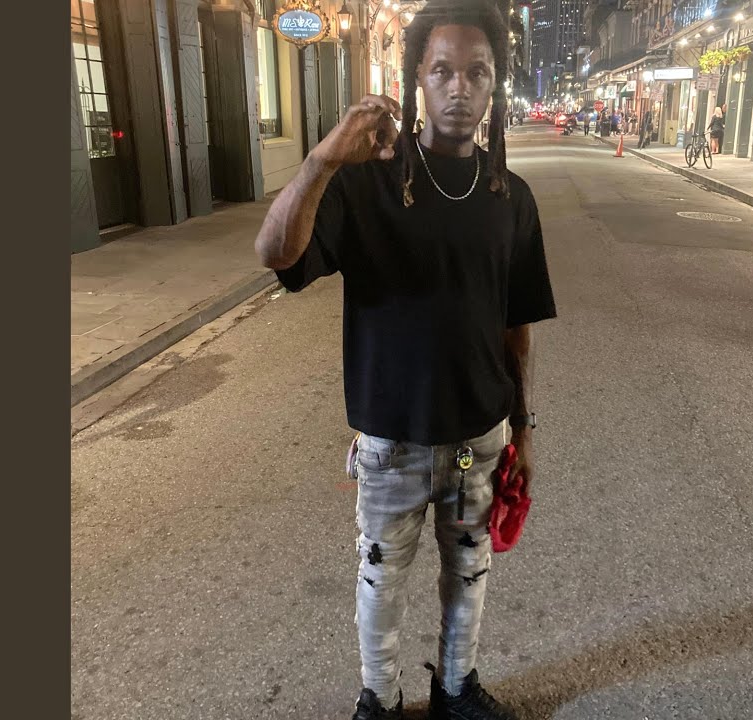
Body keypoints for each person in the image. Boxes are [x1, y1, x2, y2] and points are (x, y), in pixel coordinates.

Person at [253, 1, 557, 718]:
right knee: (380, 578)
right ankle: (379, 700)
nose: (459, 88)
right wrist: (323, 160)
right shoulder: (367, 182)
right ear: (417, 77)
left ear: (494, 85)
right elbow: (276, 255)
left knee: (470, 572)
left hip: (478, 437)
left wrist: (524, 427)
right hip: (391, 441)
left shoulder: (511, 197)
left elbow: (516, 329)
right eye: (442, 70)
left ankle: (456, 690)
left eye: (477, 73)